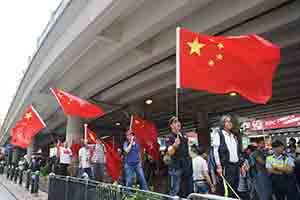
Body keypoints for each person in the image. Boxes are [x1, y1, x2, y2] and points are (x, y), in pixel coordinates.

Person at [212, 115, 240, 198]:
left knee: (234, 187)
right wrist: (219, 166)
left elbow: (236, 152)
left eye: (230, 121)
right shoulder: (219, 135)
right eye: (228, 121)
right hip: (226, 166)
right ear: (223, 123)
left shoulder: (233, 136)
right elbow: (215, 152)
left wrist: (241, 165)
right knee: (226, 189)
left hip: (235, 166)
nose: (230, 123)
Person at [166, 116, 193, 197]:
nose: (178, 123)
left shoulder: (184, 135)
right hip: (176, 167)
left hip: (187, 166)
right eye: (175, 122)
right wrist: (174, 145)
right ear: (171, 125)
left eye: (178, 121)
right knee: (176, 191)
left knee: (189, 189)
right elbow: (169, 152)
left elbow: (188, 150)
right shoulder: (170, 137)